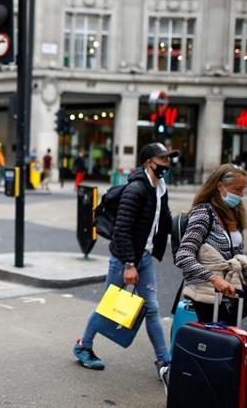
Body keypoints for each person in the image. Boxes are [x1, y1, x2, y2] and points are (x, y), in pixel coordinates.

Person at [73, 142, 176, 384]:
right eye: (163, 160)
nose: (168, 164)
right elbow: (122, 230)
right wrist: (129, 263)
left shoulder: (160, 187)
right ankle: (83, 346)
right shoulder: (136, 189)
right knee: (108, 307)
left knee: (151, 308)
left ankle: (164, 361)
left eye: (169, 159)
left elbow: (165, 219)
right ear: (149, 162)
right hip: (124, 258)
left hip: (145, 257)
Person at [174, 164, 247, 327]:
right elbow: (184, 256)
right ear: (219, 186)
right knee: (213, 344)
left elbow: (238, 258)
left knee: (229, 343)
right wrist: (214, 278)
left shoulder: (235, 214)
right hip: (207, 294)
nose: (241, 195)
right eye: (237, 189)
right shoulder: (203, 213)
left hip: (232, 292)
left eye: (243, 189)